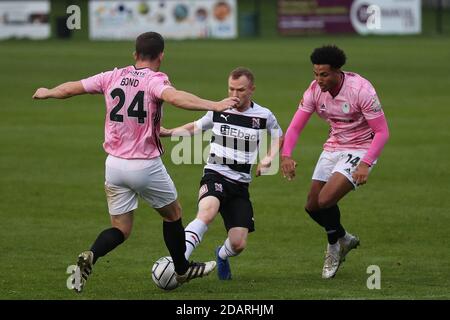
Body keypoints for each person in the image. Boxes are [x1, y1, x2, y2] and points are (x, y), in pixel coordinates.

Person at [32, 31, 239, 292]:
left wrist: (48, 92)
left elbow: (73, 87)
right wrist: (216, 104)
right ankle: (183, 269)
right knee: (173, 215)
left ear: (134, 54)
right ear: (161, 56)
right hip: (144, 165)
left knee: (120, 228)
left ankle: (92, 255)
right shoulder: (155, 80)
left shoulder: (112, 76)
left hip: (114, 166)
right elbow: (176, 97)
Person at [161, 67, 283, 280]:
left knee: (238, 244)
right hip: (215, 174)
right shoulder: (218, 109)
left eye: (241, 90)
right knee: (206, 212)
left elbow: (279, 136)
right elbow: (196, 127)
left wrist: (268, 158)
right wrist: (170, 132)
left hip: (240, 184)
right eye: (231, 89)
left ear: (252, 89)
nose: (234, 95)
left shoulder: (264, 116)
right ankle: (180, 265)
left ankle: (221, 254)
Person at [281, 45, 389, 279]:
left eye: (324, 74)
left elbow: (382, 132)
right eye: (315, 74)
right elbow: (296, 126)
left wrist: (366, 163)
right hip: (334, 146)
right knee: (311, 206)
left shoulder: (361, 90)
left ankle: (333, 247)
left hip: (361, 149)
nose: (319, 80)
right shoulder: (314, 90)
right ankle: (344, 238)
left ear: (338, 71)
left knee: (326, 199)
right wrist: (286, 155)